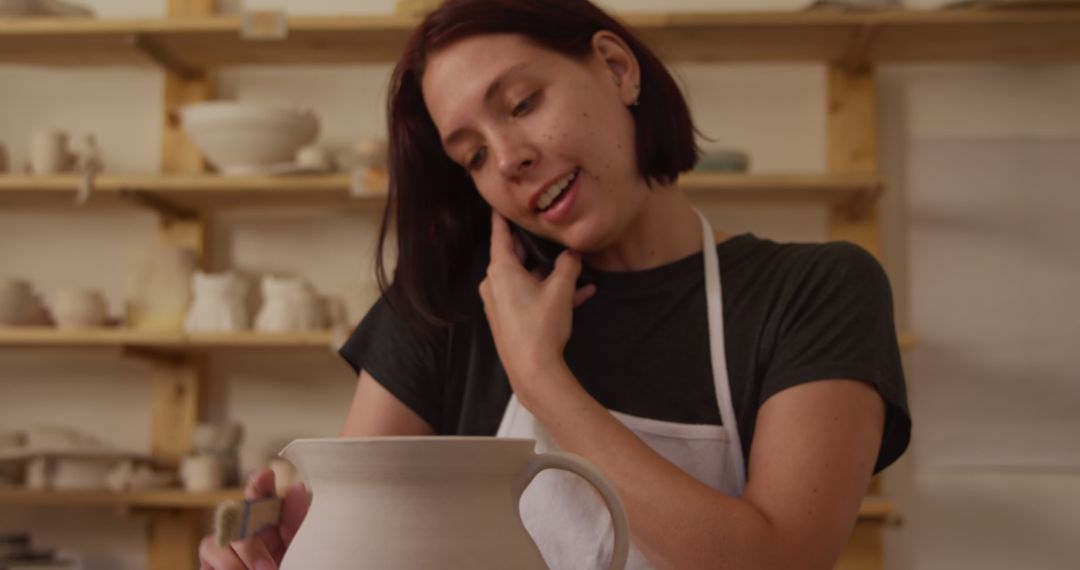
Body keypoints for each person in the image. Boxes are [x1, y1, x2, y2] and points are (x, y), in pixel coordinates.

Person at [199, 0, 911, 568]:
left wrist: (542, 380)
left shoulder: (814, 292)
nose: (506, 161)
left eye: (521, 104)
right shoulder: (442, 310)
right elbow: (350, 541)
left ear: (615, 67)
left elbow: (774, 560)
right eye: (473, 154)